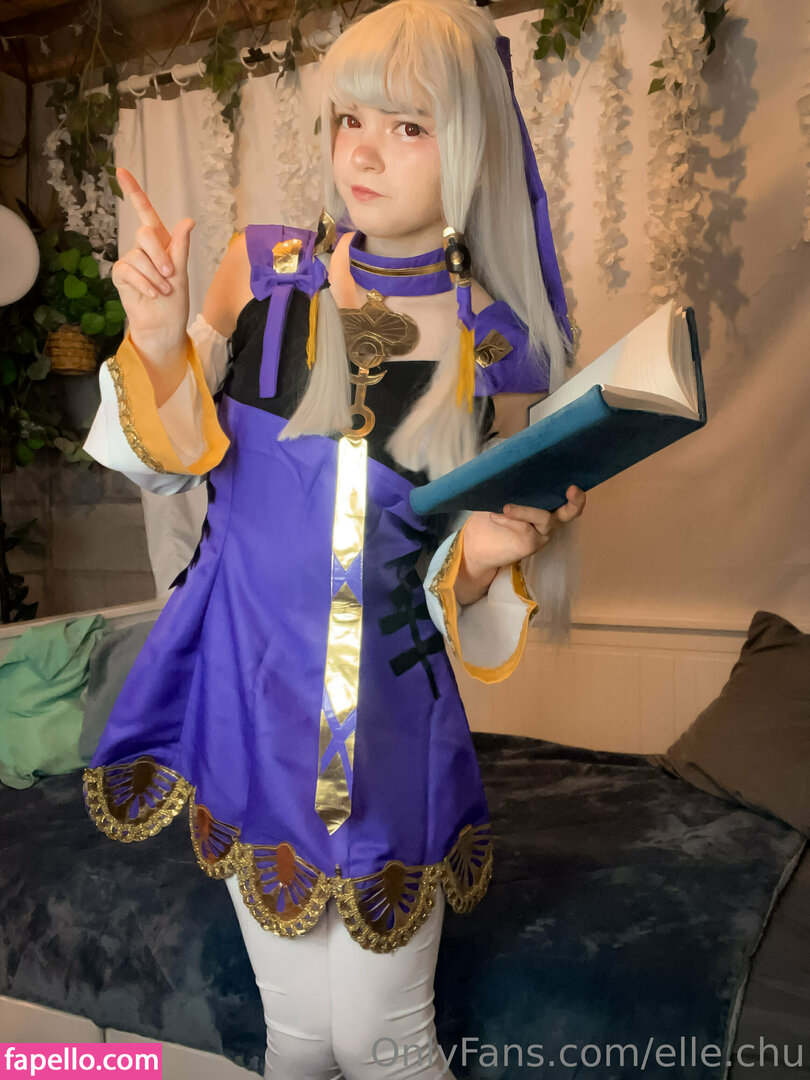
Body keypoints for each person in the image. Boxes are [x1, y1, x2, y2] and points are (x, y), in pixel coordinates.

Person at [81, 0, 586, 1076]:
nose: (364, 152)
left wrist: (481, 557)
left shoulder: (497, 342)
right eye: (351, 119)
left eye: (408, 127)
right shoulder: (259, 267)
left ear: (471, 141)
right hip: (245, 681)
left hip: (390, 713)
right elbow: (167, 461)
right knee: (300, 1038)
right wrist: (159, 341)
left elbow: (443, 564)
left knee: (380, 1041)